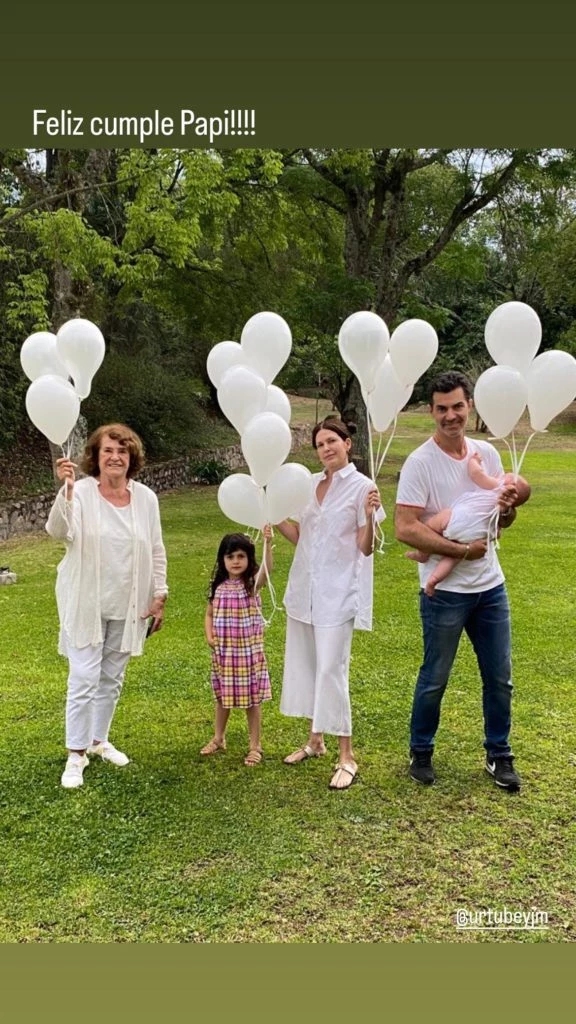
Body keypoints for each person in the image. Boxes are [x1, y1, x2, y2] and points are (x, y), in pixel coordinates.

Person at [395, 371, 525, 791]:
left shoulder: (487, 454)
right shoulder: (420, 463)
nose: (450, 415)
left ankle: (499, 754)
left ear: (469, 406)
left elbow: (500, 520)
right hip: (446, 594)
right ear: (431, 411)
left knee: (499, 677)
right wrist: (460, 552)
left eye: (457, 406)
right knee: (435, 676)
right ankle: (421, 750)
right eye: (441, 408)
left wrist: (506, 509)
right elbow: (404, 527)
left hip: (490, 587)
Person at [46, 423, 168, 789]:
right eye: (108, 451)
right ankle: (76, 753)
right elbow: (58, 532)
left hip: (128, 603)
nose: (115, 457)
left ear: (131, 458)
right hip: (87, 600)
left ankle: (99, 741)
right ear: (95, 458)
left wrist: (159, 593)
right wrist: (65, 491)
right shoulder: (80, 491)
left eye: (122, 451)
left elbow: (157, 548)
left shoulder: (146, 498)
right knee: (84, 676)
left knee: (112, 677)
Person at [276, 418, 383, 791]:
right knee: (308, 666)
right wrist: (272, 517)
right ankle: (315, 741)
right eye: (320, 444)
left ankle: (347, 755)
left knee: (331, 670)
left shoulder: (361, 487)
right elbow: (302, 536)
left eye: (332, 441)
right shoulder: (307, 485)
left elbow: (366, 547)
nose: (326, 448)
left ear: (347, 443)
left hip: (338, 594)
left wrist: (370, 517)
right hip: (304, 590)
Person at [406, 451, 531, 596]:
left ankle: (423, 553)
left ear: (508, 483)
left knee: (433, 525)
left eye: (506, 475)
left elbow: (476, 474)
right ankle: (434, 580)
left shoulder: (499, 486)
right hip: (477, 534)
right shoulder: (503, 504)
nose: (502, 475)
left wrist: (474, 461)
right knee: (454, 557)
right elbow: (498, 530)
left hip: (459, 519)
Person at [202, 528, 273, 766]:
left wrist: (267, 542)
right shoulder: (218, 586)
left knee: (252, 699)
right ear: (223, 559)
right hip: (224, 653)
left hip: (247, 654)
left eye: (241, 556)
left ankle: (255, 746)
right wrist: (209, 634)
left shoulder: (251, 584)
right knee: (222, 697)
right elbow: (210, 613)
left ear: (249, 559)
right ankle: (219, 737)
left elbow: (266, 572)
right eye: (230, 557)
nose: (235, 561)